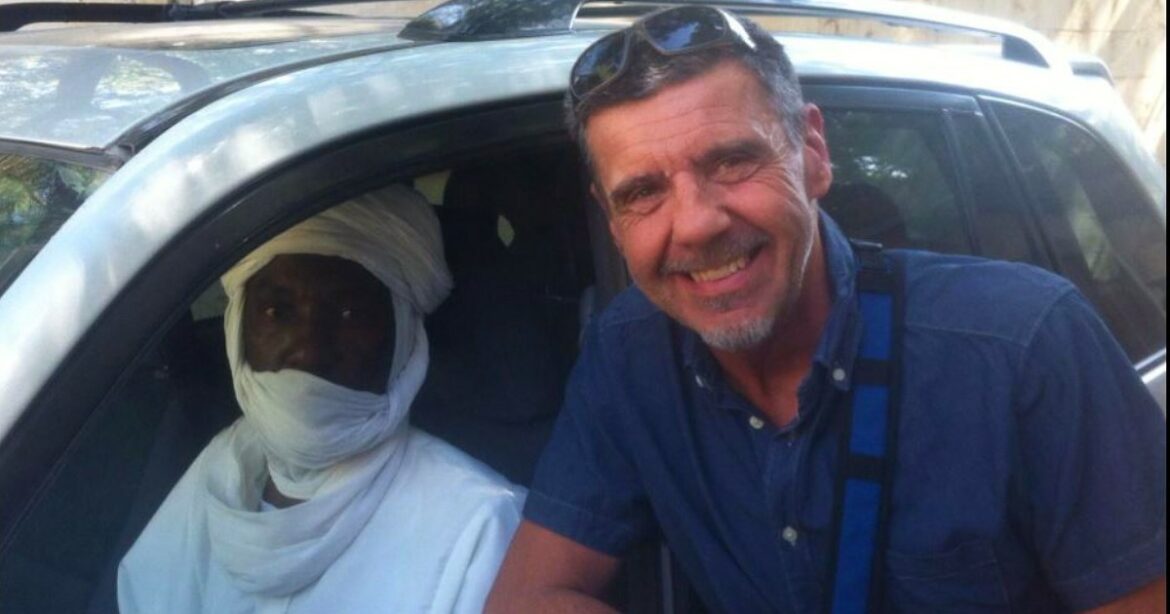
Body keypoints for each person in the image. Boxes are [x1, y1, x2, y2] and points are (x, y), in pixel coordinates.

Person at [487, 6, 1165, 613]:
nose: (694, 224)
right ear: (611, 222)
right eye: (643, 193)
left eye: (731, 161)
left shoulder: (1026, 346)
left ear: (812, 152)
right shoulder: (629, 355)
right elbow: (527, 597)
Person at [119, 185, 525, 613]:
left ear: (403, 336)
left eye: (349, 314)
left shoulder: (479, 528)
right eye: (277, 312)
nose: (310, 351)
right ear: (238, 325)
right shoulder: (222, 466)